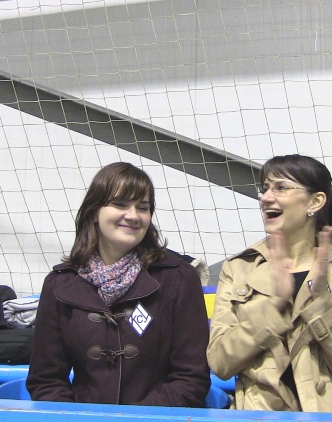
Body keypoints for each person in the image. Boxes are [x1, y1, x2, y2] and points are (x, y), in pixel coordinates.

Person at [27, 162, 210, 406]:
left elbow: (191, 379)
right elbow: (46, 381)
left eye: (142, 207)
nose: (133, 215)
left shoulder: (179, 278)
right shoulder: (60, 284)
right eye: (120, 204)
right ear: (94, 211)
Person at [207, 154, 332, 412]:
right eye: (265, 189)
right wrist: (272, 308)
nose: (265, 198)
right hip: (256, 414)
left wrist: (322, 303)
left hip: (325, 415)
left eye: (281, 188)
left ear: (315, 201)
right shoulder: (239, 268)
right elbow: (220, 363)